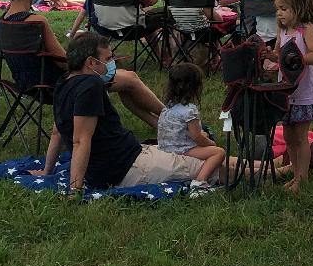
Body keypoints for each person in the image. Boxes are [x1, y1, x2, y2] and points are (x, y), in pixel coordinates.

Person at [0, 0, 164, 128]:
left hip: (26, 84)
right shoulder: (36, 21)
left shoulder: (3, 21)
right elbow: (64, 61)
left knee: (124, 80)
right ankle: (171, 118)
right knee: (131, 79)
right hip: (57, 85)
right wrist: (92, 60)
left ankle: (160, 125)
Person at [32, 34, 209, 190]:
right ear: (91, 62)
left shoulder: (63, 83)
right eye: (108, 59)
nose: (112, 63)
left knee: (197, 155)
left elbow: (57, 131)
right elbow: (80, 141)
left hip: (127, 158)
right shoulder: (90, 86)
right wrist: (75, 190)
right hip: (127, 167)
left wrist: (47, 171)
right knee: (216, 164)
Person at [273, 0, 313, 193]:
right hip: (286, 92)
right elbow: (277, 53)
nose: (279, 13)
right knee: (288, 137)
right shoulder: (283, 30)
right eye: (277, 9)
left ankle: (302, 178)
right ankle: (295, 173)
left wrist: (296, 59)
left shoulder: (306, 29)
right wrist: (270, 57)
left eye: (284, 9)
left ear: (299, 8)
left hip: (304, 93)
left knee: (300, 137)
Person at [156, 63, 234, 190]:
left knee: (205, 136)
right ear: (195, 87)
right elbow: (196, 137)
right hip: (181, 149)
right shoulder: (190, 110)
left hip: (165, 146)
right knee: (219, 152)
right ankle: (199, 181)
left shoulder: (168, 106)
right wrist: (210, 143)